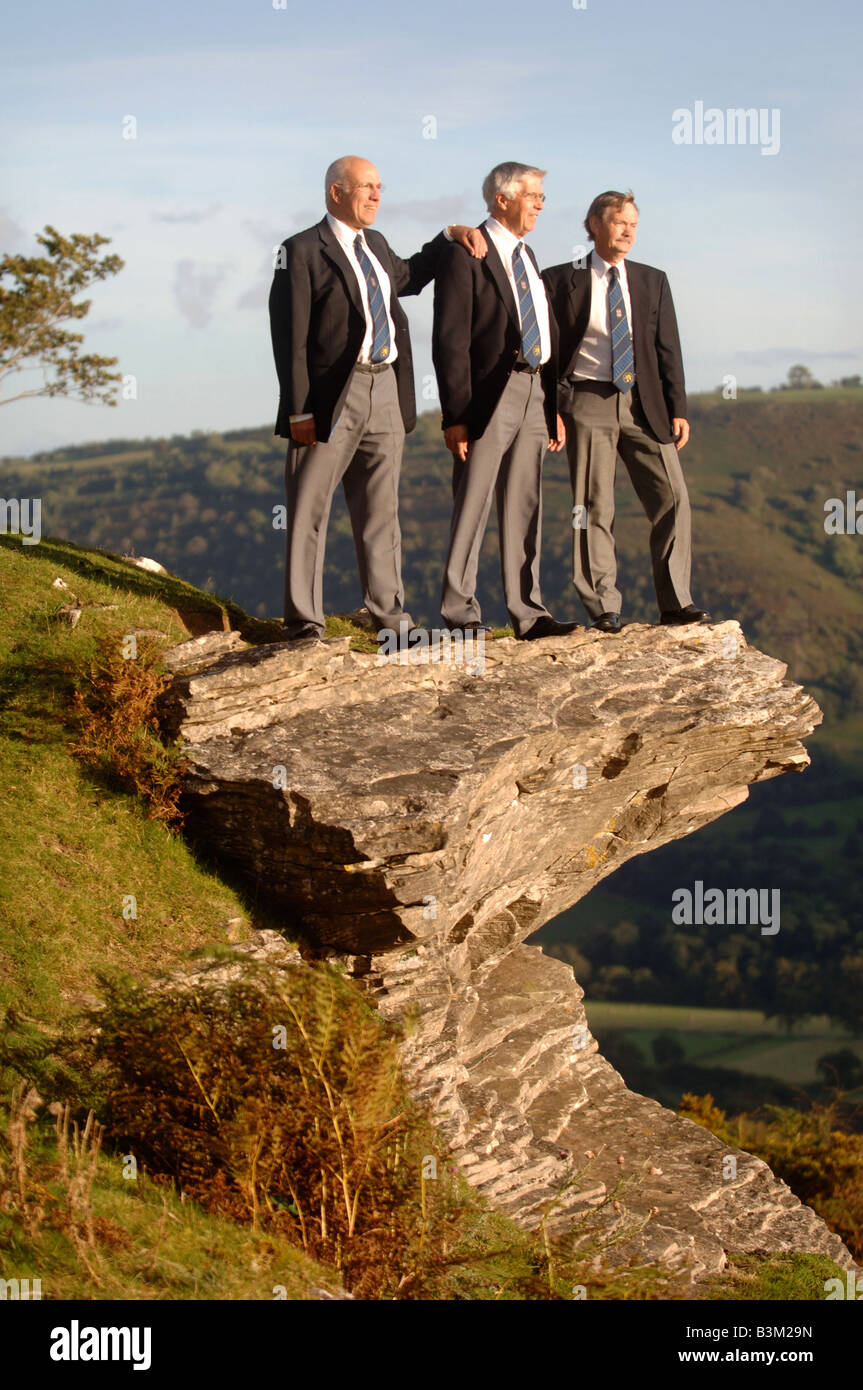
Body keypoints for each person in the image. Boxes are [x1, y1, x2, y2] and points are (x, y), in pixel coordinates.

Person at [269, 155, 486, 642]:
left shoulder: (377, 244)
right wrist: (298, 408)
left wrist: (449, 234)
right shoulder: (301, 249)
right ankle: (304, 620)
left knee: (382, 511)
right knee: (308, 508)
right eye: (366, 186)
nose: (376, 195)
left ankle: (390, 621)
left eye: (379, 187)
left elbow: (408, 277)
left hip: (386, 387)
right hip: (329, 399)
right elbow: (290, 337)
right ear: (335, 193)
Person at [542, 191, 710, 632]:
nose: (629, 229)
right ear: (594, 225)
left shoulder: (652, 280)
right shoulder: (560, 280)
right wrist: (551, 409)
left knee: (673, 499)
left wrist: (678, 407)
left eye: (634, 222)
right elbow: (549, 353)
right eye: (619, 221)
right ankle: (603, 607)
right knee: (593, 505)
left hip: (644, 404)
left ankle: (676, 603)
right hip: (586, 401)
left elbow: (667, 347)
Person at [432, 161, 577, 641]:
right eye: (533, 195)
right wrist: (455, 415)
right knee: (472, 500)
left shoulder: (528, 255)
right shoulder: (465, 252)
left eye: (541, 197)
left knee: (524, 504)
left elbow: (543, 327)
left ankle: (529, 613)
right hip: (489, 396)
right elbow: (450, 339)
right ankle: (460, 613)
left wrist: (552, 404)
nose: (539, 204)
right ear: (502, 199)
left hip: (536, 389)